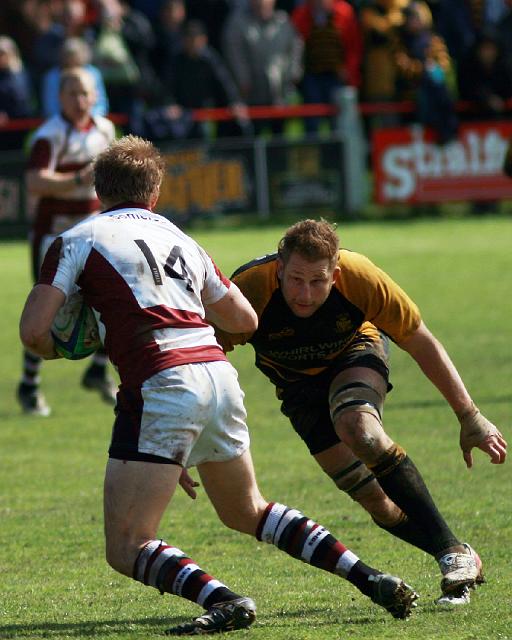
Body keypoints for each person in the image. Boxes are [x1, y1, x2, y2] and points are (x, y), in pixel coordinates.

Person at [19, 136, 419, 636]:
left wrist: (73, 341)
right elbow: (244, 320)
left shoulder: (79, 239)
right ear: (156, 192)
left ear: (99, 191)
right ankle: (368, 575)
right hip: (217, 375)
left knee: (127, 545)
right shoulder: (182, 239)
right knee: (246, 510)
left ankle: (224, 599)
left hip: (162, 380)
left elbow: (34, 332)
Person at [213, 218, 507, 607]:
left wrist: (469, 416)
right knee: (377, 504)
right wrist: (181, 441)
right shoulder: (249, 288)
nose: (305, 294)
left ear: (334, 275)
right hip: (296, 388)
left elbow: (420, 341)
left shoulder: (360, 277)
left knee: (359, 428)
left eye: (318, 281)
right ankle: (455, 554)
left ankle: (452, 552)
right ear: (280, 269)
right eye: (296, 279)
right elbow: (205, 357)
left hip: (355, 355)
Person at [17, 67, 116, 417]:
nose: (79, 100)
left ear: (95, 96)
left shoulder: (105, 129)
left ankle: (99, 370)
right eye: (71, 93)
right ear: (59, 98)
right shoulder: (50, 134)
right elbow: (34, 181)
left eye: (84, 93)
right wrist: (78, 178)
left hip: (92, 233)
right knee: (45, 308)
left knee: (110, 297)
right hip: (54, 236)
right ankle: (29, 385)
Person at [222, 0, 303, 136]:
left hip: (279, 95)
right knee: (253, 139)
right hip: (251, 95)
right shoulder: (238, 23)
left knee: (279, 140)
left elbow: (295, 47)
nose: (262, 3)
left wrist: (292, 73)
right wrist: (243, 78)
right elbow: (234, 53)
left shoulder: (283, 22)